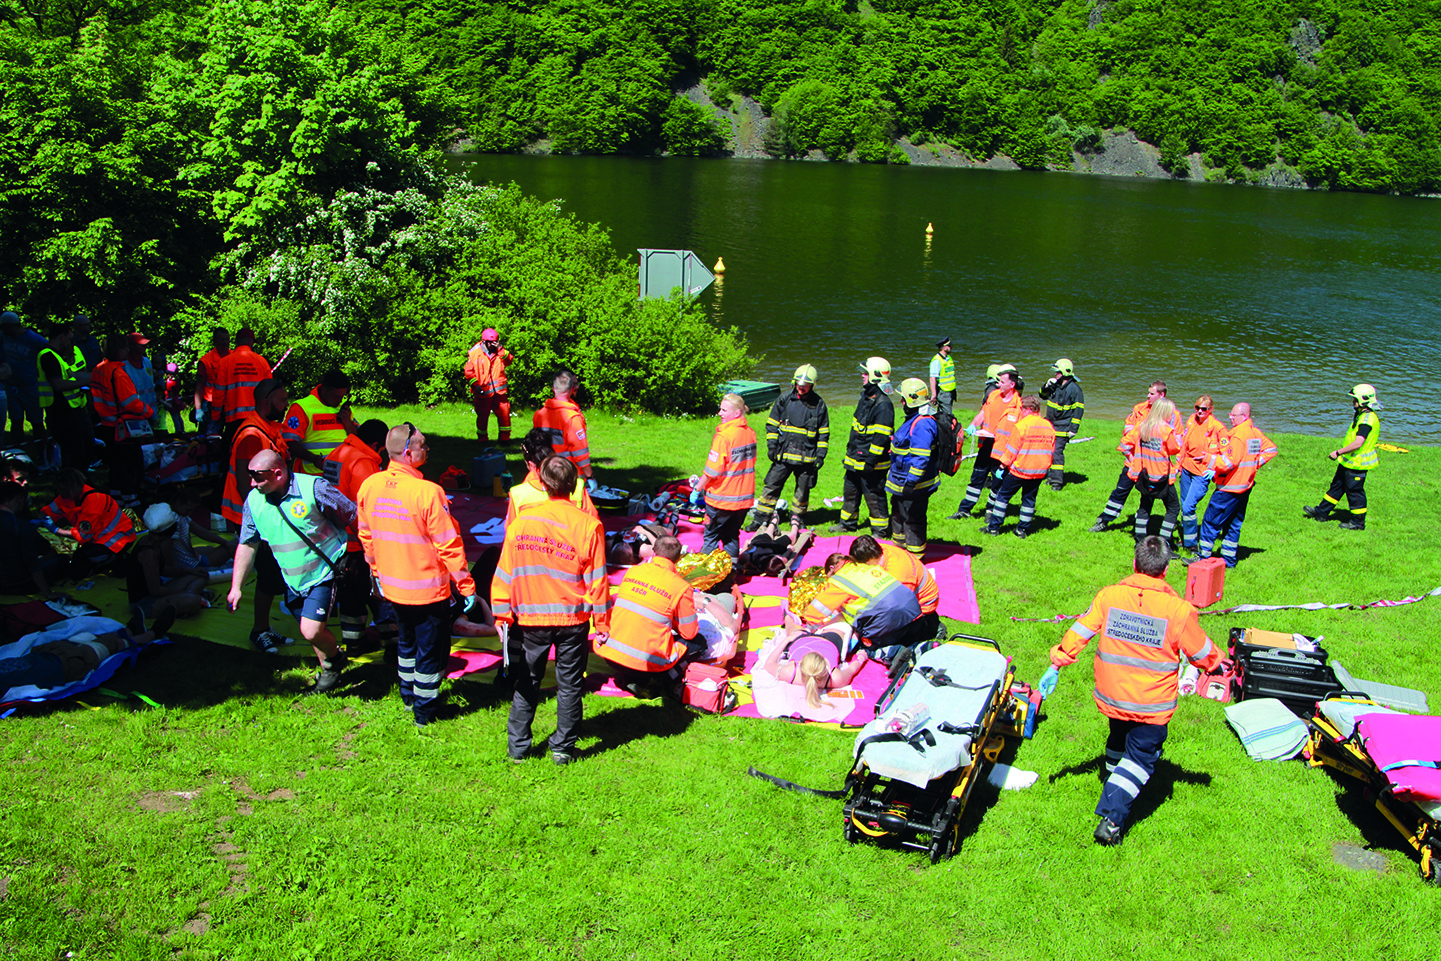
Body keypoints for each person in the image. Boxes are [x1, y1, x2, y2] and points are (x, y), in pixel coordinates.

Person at [1041, 536, 1221, 845]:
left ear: (1135, 564)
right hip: (1151, 704)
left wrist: (1057, 661)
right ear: (1165, 570)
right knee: (1141, 757)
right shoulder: (1178, 610)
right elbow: (1204, 653)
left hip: (1112, 694)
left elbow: (1081, 629)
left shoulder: (1109, 596)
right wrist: (1219, 664)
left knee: (1119, 736)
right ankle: (1112, 819)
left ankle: (1113, 780)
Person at [358, 423, 481, 724]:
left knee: (407, 642)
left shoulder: (370, 486)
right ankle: (425, 711)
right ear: (408, 453)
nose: (428, 449)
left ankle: (408, 696)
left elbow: (366, 538)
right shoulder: (428, 492)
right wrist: (466, 586)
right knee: (430, 650)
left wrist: (377, 573)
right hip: (427, 590)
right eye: (423, 445)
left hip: (392, 587)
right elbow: (448, 544)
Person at [491, 455, 608, 763]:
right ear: (574, 486)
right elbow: (597, 580)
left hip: (531, 617)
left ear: (542, 483)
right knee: (570, 685)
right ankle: (562, 749)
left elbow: (504, 572)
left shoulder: (522, 523)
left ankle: (518, 747)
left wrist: (502, 614)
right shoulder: (588, 525)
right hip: (573, 619)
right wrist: (602, 623)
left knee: (527, 681)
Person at [229, 450, 354, 692]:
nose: (252, 483)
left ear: (278, 474)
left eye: (258, 477)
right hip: (292, 578)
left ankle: (335, 660)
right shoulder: (254, 500)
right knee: (310, 630)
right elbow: (247, 544)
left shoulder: (314, 488)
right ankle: (329, 672)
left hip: (323, 571)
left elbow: (350, 513)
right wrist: (236, 587)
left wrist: (366, 554)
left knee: (311, 629)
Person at [219, 378, 293, 653]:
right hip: (256, 521)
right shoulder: (252, 435)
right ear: (265, 402)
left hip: (267, 516)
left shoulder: (268, 428)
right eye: (281, 400)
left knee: (272, 574)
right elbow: (245, 485)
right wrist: (265, 524)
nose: (286, 405)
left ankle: (264, 627)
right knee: (268, 575)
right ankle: (259, 630)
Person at [324, 418, 398, 655]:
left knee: (350, 594)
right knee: (379, 592)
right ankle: (392, 642)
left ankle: (354, 641)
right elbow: (365, 508)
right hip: (358, 543)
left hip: (335, 540)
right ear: (376, 444)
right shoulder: (363, 463)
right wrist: (374, 546)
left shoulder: (337, 454)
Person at [594, 534, 700, 698]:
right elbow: (689, 633)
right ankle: (657, 681)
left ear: (654, 551)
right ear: (678, 559)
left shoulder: (633, 571)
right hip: (647, 664)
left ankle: (632, 677)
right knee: (698, 643)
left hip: (610, 653)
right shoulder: (681, 587)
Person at [0, 612, 176, 698]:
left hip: (44, 655)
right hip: (62, 665)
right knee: (105, 647)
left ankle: (128, 631)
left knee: (80, 639)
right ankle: (152, 634)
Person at [1187, 403, 1277, 568]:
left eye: (1233, 415)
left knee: (1211, 521)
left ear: (1244, 416)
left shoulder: (1238, 436)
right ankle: (1229, 559)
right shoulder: (1255, 433)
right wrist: (1255, 464)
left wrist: (1208, 459)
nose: (1230, 417)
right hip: (1245, 486)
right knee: (1234, 523)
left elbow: (1229, 462)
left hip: (1229, 487)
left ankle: (1202, 557)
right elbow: (1271, 449)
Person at [1089, 381, 1180, 533]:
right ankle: (1104, 520)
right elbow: (1128, 431)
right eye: (1148, 392)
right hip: (1135, 463)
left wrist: (1177, 465)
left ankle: (1142, 527)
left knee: (1149, 500)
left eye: (1151, 393)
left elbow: (1176, 440)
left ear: (1161, 395)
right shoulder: (1140, 409)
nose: (1148, 396)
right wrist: (1132, 458)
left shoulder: (1172, 414)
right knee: (1121, 491)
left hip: (1154, 468)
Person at [749, 364, 829, 536]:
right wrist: (772, 446)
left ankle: (797, 519)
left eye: (805, 385)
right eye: (799, 383)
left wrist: (821, 455)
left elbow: (823, 433)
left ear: (813, 385)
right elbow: (772, 424)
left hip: (807, 457)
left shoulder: (819, 404)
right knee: (771, 486)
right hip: (783, 455)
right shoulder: (784, 399)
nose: (801, 387)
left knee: (802, 491)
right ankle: (760, 518)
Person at [802, 552, 923, 659]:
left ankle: (892, 653)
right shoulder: (865, 567)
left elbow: (816, 611)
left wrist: (810, 631)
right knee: (905, 634)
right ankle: (919, 641)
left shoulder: (838, 580)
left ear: (832, 568)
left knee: (865, 646)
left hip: (888, 617)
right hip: (912, 608)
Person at [1304, 384, 1381, 532]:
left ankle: (1358, 523)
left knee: (1355, 493)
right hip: (1349, 461)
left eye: (1355, 400)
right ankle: (1321, 512)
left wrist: (1338, 452)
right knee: (1337, 486)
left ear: (1363, 400)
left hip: (1357, 463)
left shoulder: (1366, 420)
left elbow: (1358, 443)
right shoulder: (1361, 415)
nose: (1353, 402)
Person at [834, 357, 894, 538]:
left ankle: (880, 530)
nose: (862, 376)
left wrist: (870, 461)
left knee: (873, 495)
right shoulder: (865, 397)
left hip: (872, 463)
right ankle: (847, 523)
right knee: (850, 491)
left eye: (865, 373)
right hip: (855, 457)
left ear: (875, 376)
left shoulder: (883, 405)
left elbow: (881, 437)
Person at [949, 368, 1020, 519]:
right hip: (986, 444)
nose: (998, 384)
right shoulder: (993, 395)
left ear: (1012, 384)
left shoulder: (1018, 405)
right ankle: (964, 510)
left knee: (997, 483)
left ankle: (991, 511)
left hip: (1002, 450)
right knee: (977, 477)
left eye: (1002, 382)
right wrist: (973, 425)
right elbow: (983, 413)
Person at [982, 395, 1056, 539]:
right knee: (1029, 500)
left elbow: (1011, 450)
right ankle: (1022, 530)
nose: (1020, 411)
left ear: (1028, 409)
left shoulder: (1021, 426)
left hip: (1020, 470)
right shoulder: (1048, 426)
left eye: (1022, 408)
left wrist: (1002, 466)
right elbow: (1051, 449)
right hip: (1039, 471)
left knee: (1003, 497)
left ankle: (993, 528)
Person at [693, 392, 757, 558]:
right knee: (731, 535)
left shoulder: (723, 437)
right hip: (743, 499)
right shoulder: (750, 433)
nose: (719, 413)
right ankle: (732, 568)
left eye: (724, 410)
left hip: (721, 499)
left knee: (711, 536)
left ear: (737, 413)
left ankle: (705, 569)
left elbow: (712, 471)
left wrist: (698, 488)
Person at [40, 469, 136, 580]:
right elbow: (48, 511)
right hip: (98, 537)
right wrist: (38, 519)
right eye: (56, 489)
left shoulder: (93, 502)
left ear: (72, 487)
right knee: (78, 566)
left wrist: (56, 530)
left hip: (119, 538)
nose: (58, 492)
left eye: (61, 489)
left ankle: (118, 560)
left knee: (89, 560)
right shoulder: (67, 497)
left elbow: (82, 535)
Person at [90, 336, 153, 504]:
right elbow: (130, 402)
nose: (127, 351)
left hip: (106, 424)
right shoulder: (117, 373)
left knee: (115, 465)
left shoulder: (99, 369)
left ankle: (115, 499)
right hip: (123, 427)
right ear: (117, 350)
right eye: (124, 348)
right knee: (130, 465)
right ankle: (131, 502)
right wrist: (148, 411)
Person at [886, 378, 941, 556]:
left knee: (913, 519)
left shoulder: (922, 424)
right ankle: (900, 551)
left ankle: (915, 557)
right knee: (898, 514)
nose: (901, 402)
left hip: (914, 485)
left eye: (903, 399)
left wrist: (911, 482)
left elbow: (921, 458)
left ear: (912, 400)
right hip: (901, 480)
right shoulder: (914, 419)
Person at [848, 534, 939, 641]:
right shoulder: (880, 550)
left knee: (878, 634)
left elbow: (899, 607)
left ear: (868, 561)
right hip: (911, 596)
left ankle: (926, 629)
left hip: (921, 609)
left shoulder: (899, 575)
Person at [760, 621, 867, 709]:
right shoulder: (834, 678)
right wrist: (861, 657)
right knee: (842, 621)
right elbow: (852, 669)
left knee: (791, 623)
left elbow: (769, 663)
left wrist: (787, 640)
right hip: (829, 640)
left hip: (802, 639)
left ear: (800, 663)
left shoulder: (790, 672)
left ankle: (789, 614)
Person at [129, 504, 208, 619]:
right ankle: (188, 598)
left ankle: (187, 598)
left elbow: (162, 570)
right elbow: (155, 590)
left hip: (157, 593)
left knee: (201, 576)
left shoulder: (153, 542)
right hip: (145, 603)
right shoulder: (149, 553)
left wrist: (190, 571)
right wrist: (181, 593)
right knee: (192, 600)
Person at [508, 428, 598, 521]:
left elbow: (512, 528)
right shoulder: (577, 486)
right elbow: (593, 521)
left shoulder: (518, 495)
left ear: (530, 465)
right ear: (553, 455)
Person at [37, 320, 91, 469]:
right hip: (60, 411)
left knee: (79, 451)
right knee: (72, 453)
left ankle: (78, 478)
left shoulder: (56, 355)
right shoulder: (48, 356)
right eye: (69, 338)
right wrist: (86, 383)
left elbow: (72, 375)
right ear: (62, 336)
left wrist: (96, 377)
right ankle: (72, 480)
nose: (70, 342)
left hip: (68, 410)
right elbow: (58, 384)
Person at [1128, 398, 1182, 543]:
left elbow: (1127, 443)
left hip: (1145, 474)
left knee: (1145, 507)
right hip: (1162, 477)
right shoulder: (1166, 430)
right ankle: (1164, 541)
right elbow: (1174, 449)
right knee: (1173, 508)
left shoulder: (1143, 426)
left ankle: (1140, 540)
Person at [1176, 394, 1226, 551]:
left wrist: (1214, 468)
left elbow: (1226, 453)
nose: (1199, 411)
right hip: (1187, 468)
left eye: (1203, 409)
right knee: (1184, 506)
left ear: (1211, 409)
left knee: (1188, 507)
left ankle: (1191, 544)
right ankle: (1187, 539)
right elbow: (1184, 445)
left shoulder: (1218, 428)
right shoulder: (1192, 420)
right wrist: (1179, 465)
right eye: (1197, 407)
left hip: (1202, 473)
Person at [283, 370, 357, 475]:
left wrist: (348, 423)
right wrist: (313, 458)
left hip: (342, 475)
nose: (340, 401)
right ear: (324, 390)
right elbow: (289, 442)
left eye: (342, 396)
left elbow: (358, 440)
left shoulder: (345, 411)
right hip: (310, 475)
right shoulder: (301, 408)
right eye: (336, 396)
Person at [0, 481, 66, 595]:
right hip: (19, 583)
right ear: (19, 498)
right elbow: (32, 563)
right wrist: (48, 593)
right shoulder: (19, 525)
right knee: (62, 560)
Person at [532, 369, 592, 481]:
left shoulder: (539, 415)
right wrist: (590, 475)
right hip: (569, 474)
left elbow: (536, 445)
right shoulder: (572, 418)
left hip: (546, 472)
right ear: (571, 389)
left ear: (553, 389)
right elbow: (580, 452)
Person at [163, 486, 234, 574]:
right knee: (232, 546)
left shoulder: (181, 516)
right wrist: (175, 572)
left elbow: (201, 531)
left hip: (188, 560)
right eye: (188, 510)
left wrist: (225, 542)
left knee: (209, 548)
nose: (190, 513)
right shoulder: (174, 520)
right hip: (190, 566)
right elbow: (166, 548)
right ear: (178, 502)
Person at [0, 311, 47, 443]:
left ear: (11, 326)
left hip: (30, 385)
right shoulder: (3, 337)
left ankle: (42, 449)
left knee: (36, 420)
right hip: (11, 385)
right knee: (15, 419)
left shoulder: (33, 339)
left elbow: (49, 350)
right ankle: (18, 449)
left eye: (3, 327)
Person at [1039, 358, 1084, 490]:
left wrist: (1073, 429)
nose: (1055, 374)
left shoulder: (1075, 390)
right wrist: (1046, 386)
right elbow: (1042, 395)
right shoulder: (1055, 385)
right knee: (1049, 452)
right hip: (1050, 425)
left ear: (1065, 372)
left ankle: (1057, 482)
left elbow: (1078, 411)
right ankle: (1051, 477)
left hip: (1063, 428)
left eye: (1057, 372)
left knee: (1057, 453)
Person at [465, 328, 514, 443]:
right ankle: (482, 439)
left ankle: (504, 439)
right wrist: (475, 385)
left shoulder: (500, 352)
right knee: (482, 417)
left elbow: (509, 360)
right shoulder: (475, 353)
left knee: (504, 415)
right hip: (483, 392)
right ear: (484, 341)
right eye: (491, 342)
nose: (493, 345)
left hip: (499, 393)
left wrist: (500, 349)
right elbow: (468, 372)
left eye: (495, 342)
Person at [218, 327, 272, 425]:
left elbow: (219, 392)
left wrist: (215, 414)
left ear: (236, 341)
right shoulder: (262, 362)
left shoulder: (224, 362)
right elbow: (270, 391)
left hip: (233, 417)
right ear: (251, 342)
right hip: (257, 416)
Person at [192, 329, 230, 434]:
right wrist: (198, 408)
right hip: (211, 404)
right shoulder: (206, 361)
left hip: (230, 403)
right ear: (215, 341)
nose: (225, 342)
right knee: (209, 436)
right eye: (222, 339)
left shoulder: (234, 357)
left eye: (227, 339)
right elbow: (199, 386)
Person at [123, 332, 161, 434]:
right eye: (141, 344)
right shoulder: (124, 365)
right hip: (133, 413)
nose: (145, 347)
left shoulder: (147, 362)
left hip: (150, 411)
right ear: (132, 346)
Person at [928, 338, 956, 418]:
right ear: (944, 348)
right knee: (947, 415)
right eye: (949, 346)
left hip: (950, 390)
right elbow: (932, 378)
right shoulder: (936, 361)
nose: (951, 347)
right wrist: (934, 394)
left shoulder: (948, 358)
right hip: (943, 391)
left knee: (943, 414)